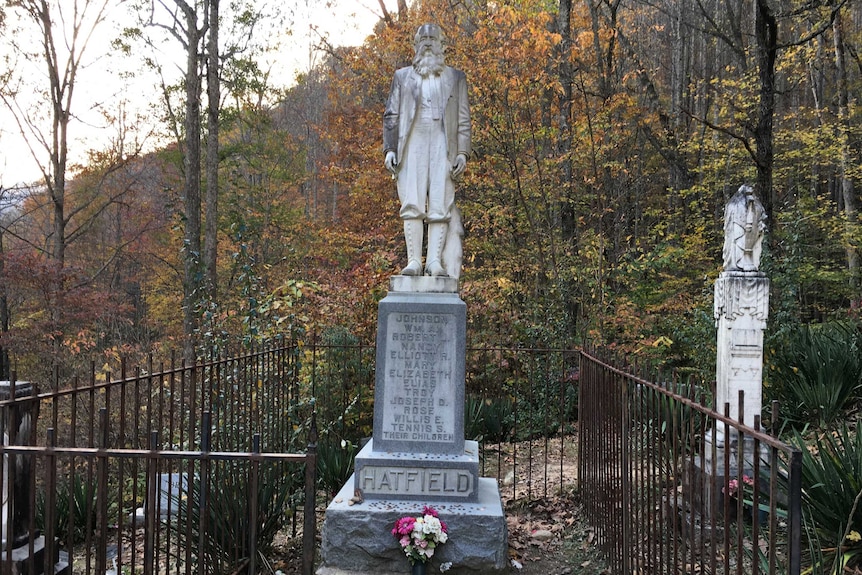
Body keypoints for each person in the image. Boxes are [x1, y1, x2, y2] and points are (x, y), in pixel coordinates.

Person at [383, 23, 471, 276]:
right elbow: (391, 115)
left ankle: (434, 262)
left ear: (442, 43)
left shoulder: (456, 78)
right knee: (412, 200)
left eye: (433, 38)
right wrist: (390, 149)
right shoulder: (402, 77)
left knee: (441, 202)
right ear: (415, 44)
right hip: (413, 141)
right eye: (424, 38)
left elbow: (464, 119)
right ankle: (414, 261)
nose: (429, 42)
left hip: (444, 143)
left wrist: (463, 153)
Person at [722, 184, 767, 272]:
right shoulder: (734, 205)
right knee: (739, 241)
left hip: (749, 230)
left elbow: (761, 216)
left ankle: (747, 260)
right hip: (738, 228)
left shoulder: (756, 206)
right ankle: (739, 262)